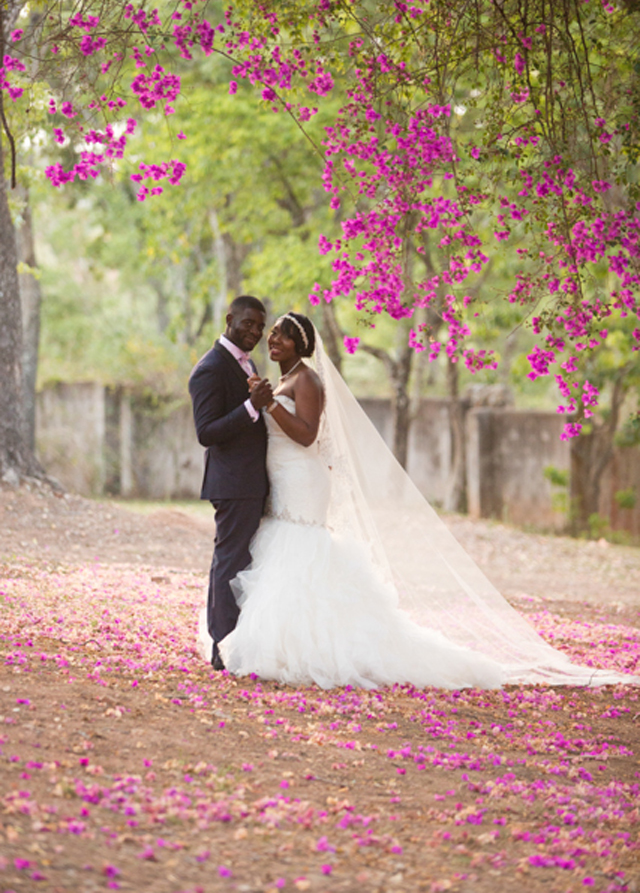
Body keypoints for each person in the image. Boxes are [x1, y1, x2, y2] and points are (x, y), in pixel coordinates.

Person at [201, 311, 636, 690]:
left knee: (301, 550)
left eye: (280, 333)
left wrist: (270, 407)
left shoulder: (307, 379)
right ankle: (276, 638)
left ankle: (305, 646)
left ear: (300, 342)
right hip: (281, 479)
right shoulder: (282, 379)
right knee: (278, 550)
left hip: (302, 481)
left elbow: (308, 434)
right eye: (270, 333)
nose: (271, 339)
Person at [188, 295, 273, 671]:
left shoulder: (244, 361)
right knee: (229, 566)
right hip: (233, 483)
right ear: (229, 320)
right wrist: (252, 407)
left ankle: (226, 643)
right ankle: (223, 650)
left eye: (260, 326)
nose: (254, 331)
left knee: (231, 563)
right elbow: (206, 432)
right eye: (248, 324)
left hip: (248, 481)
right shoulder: (210, 368)